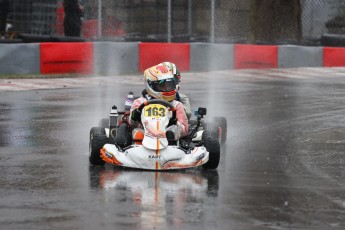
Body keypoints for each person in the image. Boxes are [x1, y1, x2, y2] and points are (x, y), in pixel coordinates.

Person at [130, 64, 189, 141]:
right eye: (162, 86)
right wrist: (134, 118)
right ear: (150, 85)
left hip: (169, 139)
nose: (167, 89)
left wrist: (173, 122)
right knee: (137, 133)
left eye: (169, 85)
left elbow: (185, 129)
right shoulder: (139, 102)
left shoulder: (177, 105)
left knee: (173, 131)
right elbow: (131, 125)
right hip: (145, 136)